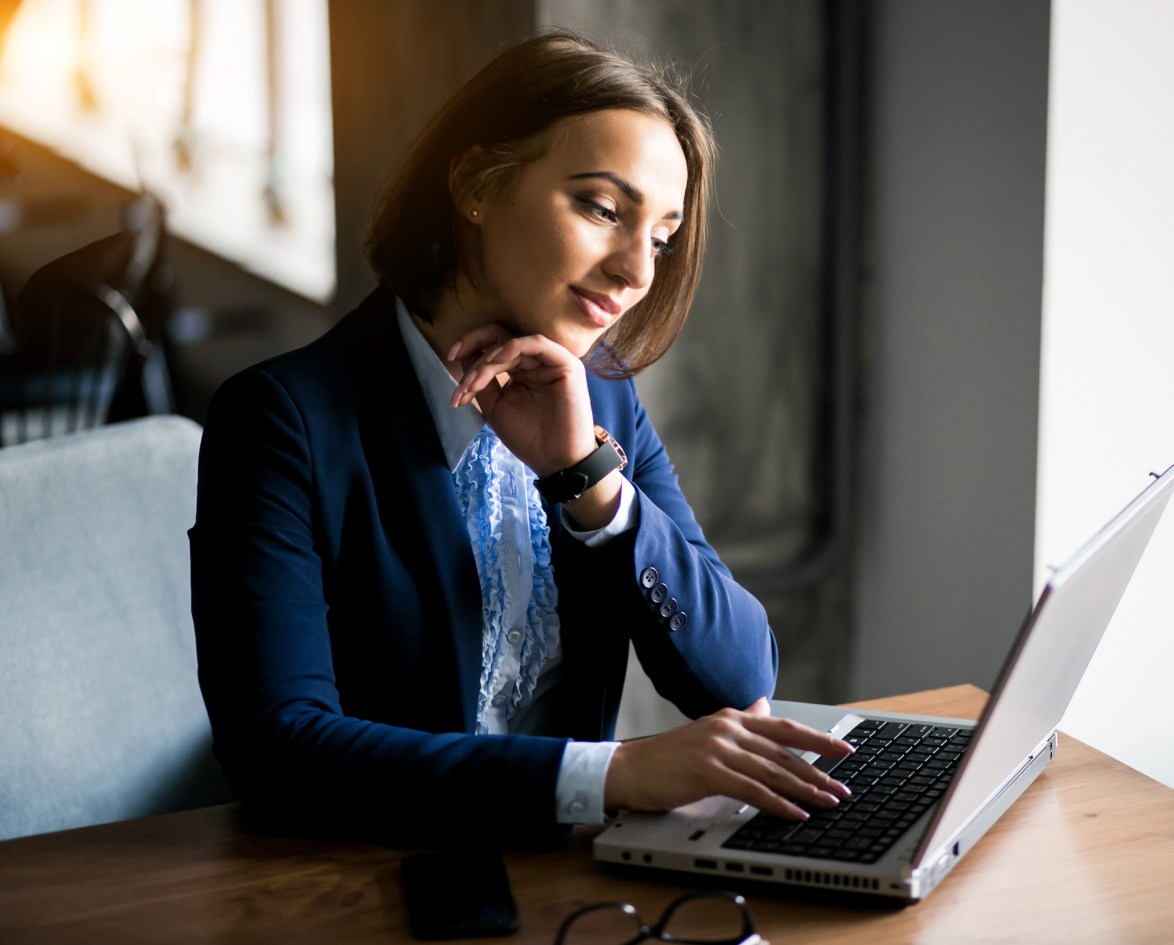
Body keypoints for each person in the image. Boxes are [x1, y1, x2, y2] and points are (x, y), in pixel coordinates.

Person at [190, 33, 853, 847]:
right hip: (378, 877)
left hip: (568, 881)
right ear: (474, 182)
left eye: (661, 237)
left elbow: (740, 674)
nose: (636, 272)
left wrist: (592, 484)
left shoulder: (600, 392)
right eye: (604, 210)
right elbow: (278, 749)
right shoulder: (280, 419)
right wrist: (611, 773)